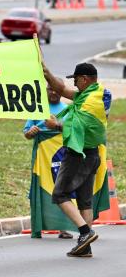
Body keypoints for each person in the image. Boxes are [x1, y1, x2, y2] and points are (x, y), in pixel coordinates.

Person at [42, 61, 111, 257]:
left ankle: (84, 232)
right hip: (92, 155)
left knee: (60, 194)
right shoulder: (95, 94)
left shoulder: (91, 102)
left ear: (85, 79)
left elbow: (78, 128)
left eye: (77, 80)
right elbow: (61, 88)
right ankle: (85, 247)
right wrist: (46, 72)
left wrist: (55, 125)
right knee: (84, 202)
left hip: (77, 155)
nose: (74, 85)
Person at [23, 85, 73, 240]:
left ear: (61, 91)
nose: (53, 92)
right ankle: (38, 226)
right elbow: (27, 133)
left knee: (64, 188)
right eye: (50, 89)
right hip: (42, 159)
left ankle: (64, 227)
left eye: (56, 89)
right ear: (45, 91)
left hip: (63, 157)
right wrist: (30, 133)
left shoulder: (67, 109)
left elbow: (72, 131)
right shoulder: (38, 110)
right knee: (40, 188)